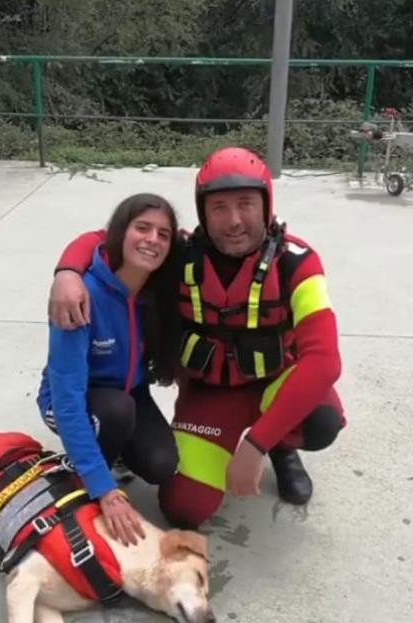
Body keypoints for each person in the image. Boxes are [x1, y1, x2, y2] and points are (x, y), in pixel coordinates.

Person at [48, 147, 346, 528]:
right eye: (219, 207)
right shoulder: (179, 253)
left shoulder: (298, 262)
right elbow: (107, 239)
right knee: (183, 509)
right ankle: (241, 442)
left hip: (274, 386)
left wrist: (255, 445)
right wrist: (67, 271)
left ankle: (281, 448)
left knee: (320, 419)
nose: (234, 220)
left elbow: (324, 361)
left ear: (267, 204)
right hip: (209, 396)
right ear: (203, 212)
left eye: (246, 204)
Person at [37, 193, 181, 545]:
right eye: (142, 228)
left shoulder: (157, 289)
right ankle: (82, 478)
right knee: (117, 412)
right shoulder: (80, 296)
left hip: (128, 392)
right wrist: (105, 491)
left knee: (161, 464)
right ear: (119, 232)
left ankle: (110, 454)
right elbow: (67, 397)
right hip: (71, 400)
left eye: (163, 234)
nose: (152, 240)